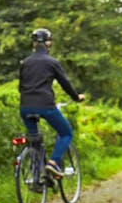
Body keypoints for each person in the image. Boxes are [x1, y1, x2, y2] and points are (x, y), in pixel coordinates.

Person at [18, 28, 85, 177]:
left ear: (34, 44)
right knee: (66, 133)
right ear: (48, 43)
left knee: (34, 139)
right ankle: (53, 163)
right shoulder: (51, 62)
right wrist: (76, 97)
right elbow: (65, 83)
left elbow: (20, 87)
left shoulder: (25, 63)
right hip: (45, 106)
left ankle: (35, 176)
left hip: (25, 107)